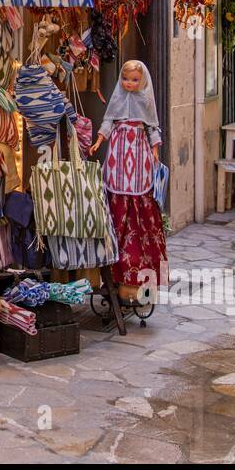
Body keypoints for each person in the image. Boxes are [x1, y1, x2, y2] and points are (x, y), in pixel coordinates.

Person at [88, 60, 168, 303]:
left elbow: (152, 127)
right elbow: (109, 121)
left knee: (140, 204)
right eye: (126, 79)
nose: (129, 84)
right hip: (118, 155)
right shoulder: (118, 99)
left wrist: (154, 150)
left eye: (134, 80)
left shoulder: (145, 100)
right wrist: (99, 140)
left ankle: (137, 277)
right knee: (115, 198)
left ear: (141, 81)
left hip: (139, 154)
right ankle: (113, 273)